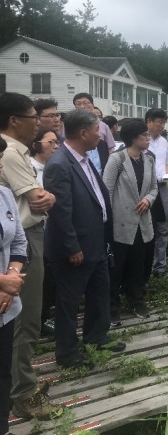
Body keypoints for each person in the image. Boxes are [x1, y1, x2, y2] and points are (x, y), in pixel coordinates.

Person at [43, 109, 125, 370]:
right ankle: (67, 353)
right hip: (75, 248)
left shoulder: (83, 159)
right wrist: (72, 247)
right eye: (96, 132)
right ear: (82, 133)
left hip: (96, 243)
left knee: (99, 293)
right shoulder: (59, 164)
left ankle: (97, 337)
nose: (100, 137)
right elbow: (60, 212)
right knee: (68, 302)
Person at [0, 92, 57, 420]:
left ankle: (16, 384)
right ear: (14, 121)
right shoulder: (9, 152)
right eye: (33, 116)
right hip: (20, 242)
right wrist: (46, 196)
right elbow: (37, 198)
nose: (39, 122)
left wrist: (46, 197)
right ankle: (22, 392)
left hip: (20, 241)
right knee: (26, 319)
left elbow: (43, 198)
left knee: (22, 318)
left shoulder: (16, 151)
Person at [103, 119, 157, 320]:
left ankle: (136, 300)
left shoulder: (148, 159)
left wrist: (148, 200)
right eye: (145, 135)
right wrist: (106, 221)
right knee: (117, 266)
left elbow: (153, 188)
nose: (148, 139)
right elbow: (106, 190)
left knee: (138, 264)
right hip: (120, 221)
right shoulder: (117, 159)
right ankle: (111, 307)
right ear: (134, 138)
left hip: (142, 221)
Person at [0, 135, 28, 435]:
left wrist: (11, 277)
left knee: (2, 373)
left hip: (5, 304)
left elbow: (19, 240)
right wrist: (4, 281)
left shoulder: (5, 195)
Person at [29, 127, 60, 338]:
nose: (56, 146)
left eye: (57, 142)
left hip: (54, 231)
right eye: (51, 142)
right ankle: (36, 321)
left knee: (50, 277)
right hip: (35, 230)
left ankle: (46, 315)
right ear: (36, 144)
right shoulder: (30, 169)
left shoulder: (57, 167)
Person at [145, 108, 168, 278]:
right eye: (159, 122)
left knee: (162, 227)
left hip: (161, 187)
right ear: (149, 121)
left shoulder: (164, 142)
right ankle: (145, 265)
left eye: (164, 123)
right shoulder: (140, 140)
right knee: (146, 226)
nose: (162, 126)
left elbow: (167, 165)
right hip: (144, 188)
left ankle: (160, 266)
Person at [72, 93, 115, 174]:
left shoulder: (103, 126)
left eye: (85, 103)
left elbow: (110, 149)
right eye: (78, 104)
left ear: (92, 105)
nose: (82, 106)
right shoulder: (70, 126)